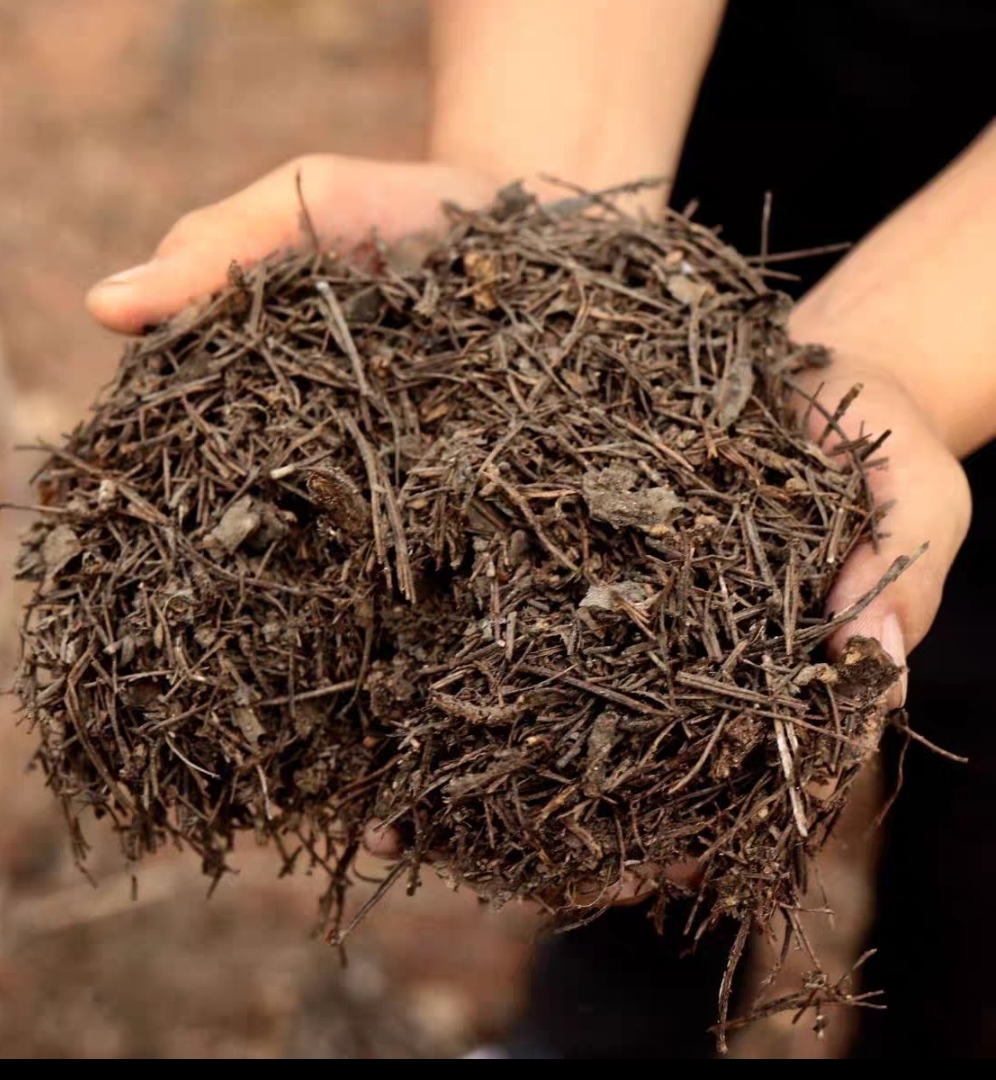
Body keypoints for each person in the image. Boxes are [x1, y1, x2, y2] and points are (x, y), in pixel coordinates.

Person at [85, 1, 996, 1058]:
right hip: (741, 80)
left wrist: (910, 360)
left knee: (972, 828)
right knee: (653, 794)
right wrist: (531, 191)